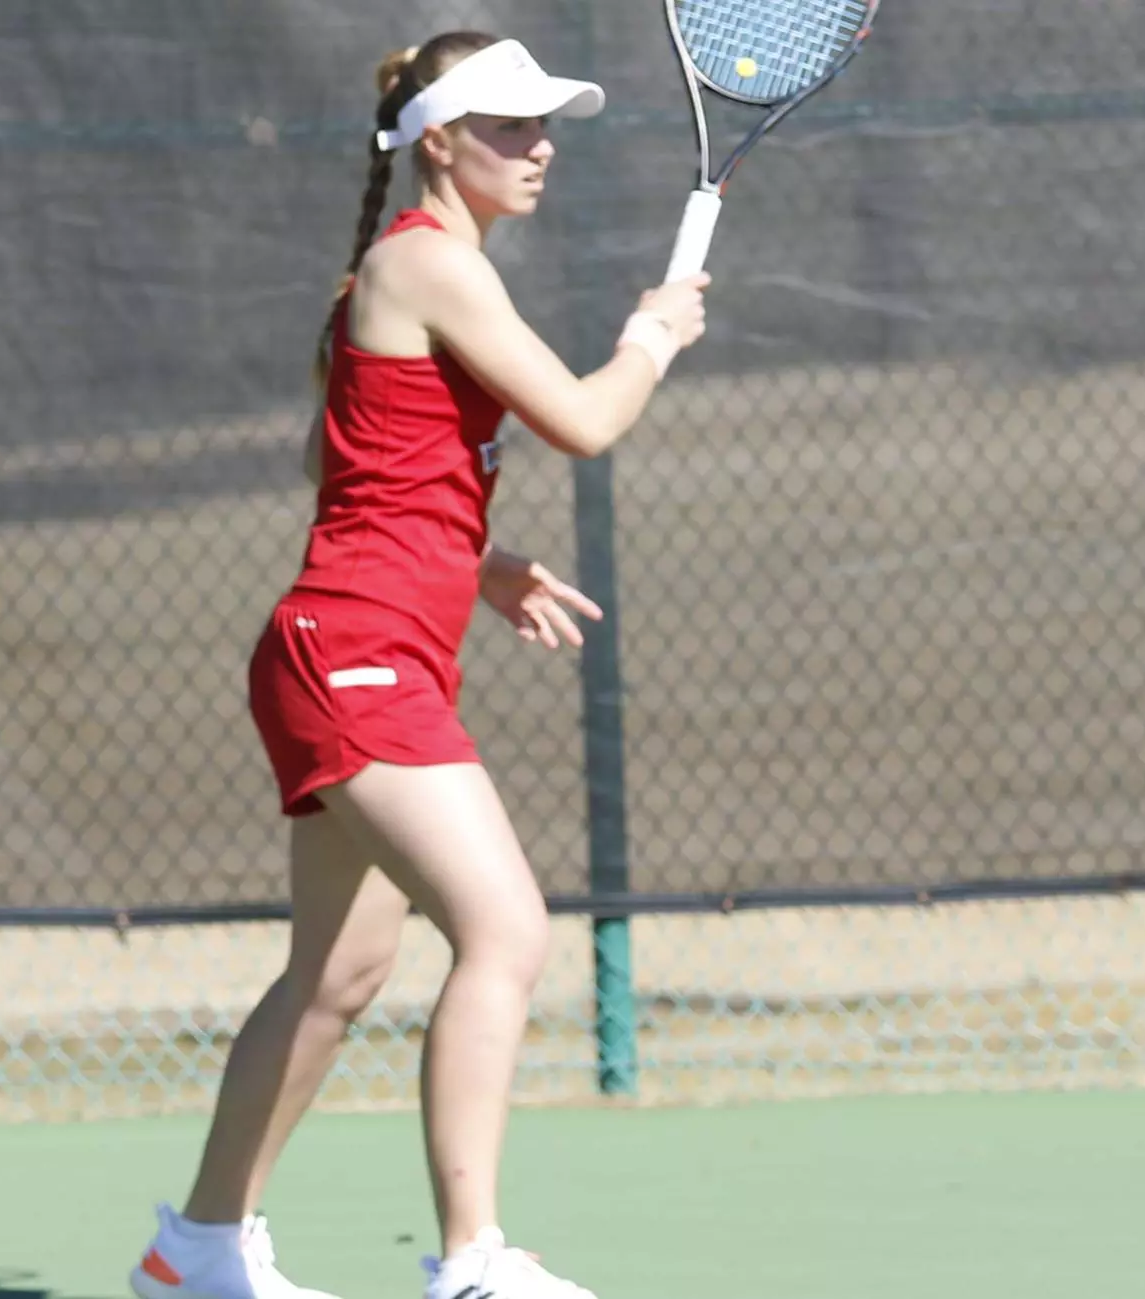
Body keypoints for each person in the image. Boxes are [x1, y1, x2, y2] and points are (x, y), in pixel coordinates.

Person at [127, 30, 710, 1299]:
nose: (538, 146)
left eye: (544, 124)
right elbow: (584, 420)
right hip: (356, 659)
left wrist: (473, 560)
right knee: (504, 930)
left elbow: (334, 462)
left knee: (337, 975)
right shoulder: (430, 266)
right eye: (508, 125)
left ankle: (195, 1250)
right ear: (437, 141)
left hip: (350, 649)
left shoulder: (399, 276)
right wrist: (652, 336)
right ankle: (473, 1262)